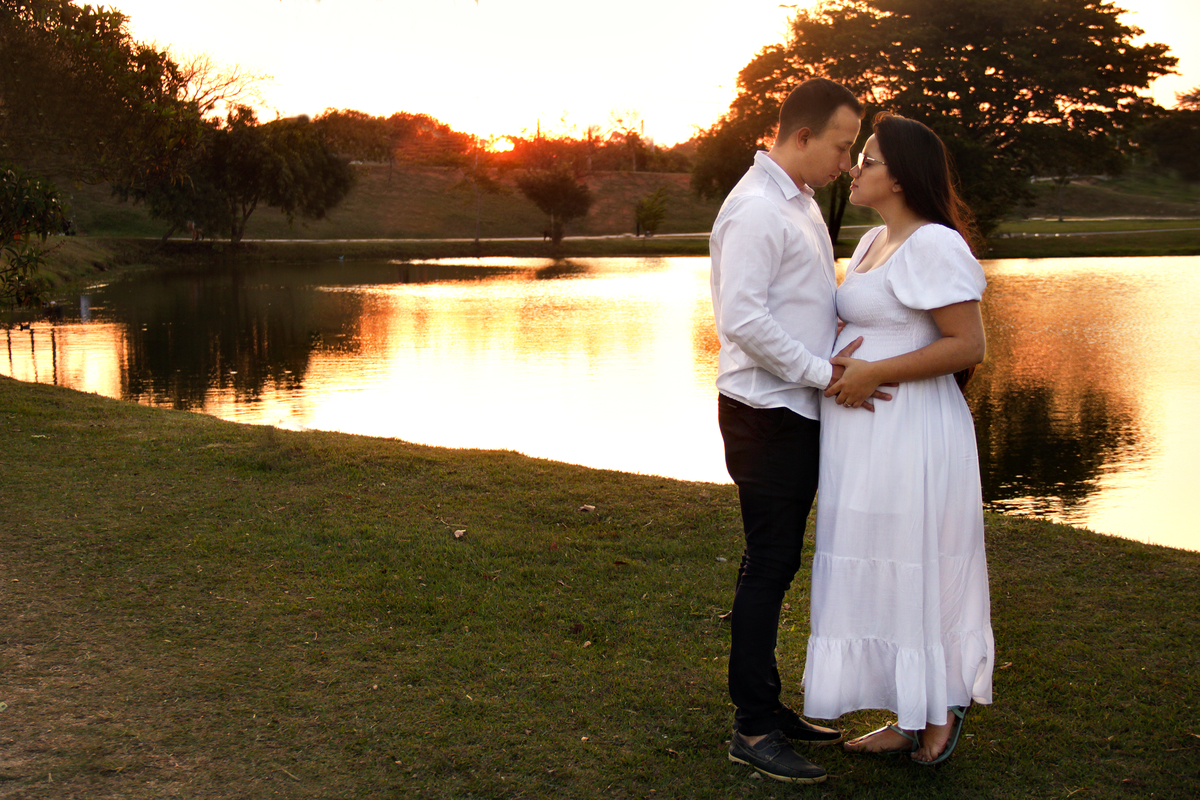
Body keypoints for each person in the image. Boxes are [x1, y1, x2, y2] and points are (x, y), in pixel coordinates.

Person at [710, 78, 888, 785]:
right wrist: (823, 373)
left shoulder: (802, 201)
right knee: (769, 563)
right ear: (803, 136)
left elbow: (806, 303)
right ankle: (753, 728)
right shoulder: (757, 209)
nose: (849, 162)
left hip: (794, 408)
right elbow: (743, 321)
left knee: (777, 563)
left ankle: (768, 707)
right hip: (766, 411)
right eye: (842, 147)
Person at [802, 112, 994, 765]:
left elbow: (968, 345)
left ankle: (940, 708)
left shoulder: (934, 244)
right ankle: (906, 708)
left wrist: (876, 373)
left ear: (904, 176)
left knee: (917, 562)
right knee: (879, 561)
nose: (854, 168)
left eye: (870, 160)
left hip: (913, 432)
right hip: (862, 441)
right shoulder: (870, 242)